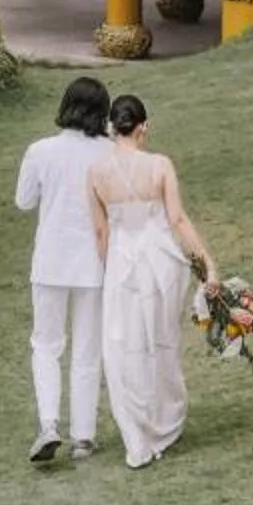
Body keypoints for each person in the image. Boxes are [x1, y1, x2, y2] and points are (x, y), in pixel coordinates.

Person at [88, 92, 218, 470]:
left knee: (122, 345)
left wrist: (110, 269)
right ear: (142, 127)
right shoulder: (159, 165)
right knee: (161, 342)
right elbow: (177, 220)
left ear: (114, 128)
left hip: (121, 268)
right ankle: (161, 424)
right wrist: (208, 263)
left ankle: (137, 437)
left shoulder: (95, 173)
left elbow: (100, 233)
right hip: (160, 264)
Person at [14, 74, 112, 463]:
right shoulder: (109, 153)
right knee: (88, 349)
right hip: (95, 262)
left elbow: (24, 201)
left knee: (46, 345)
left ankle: (49, 422)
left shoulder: (40, 151)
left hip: (51, 260)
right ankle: (83, 437)